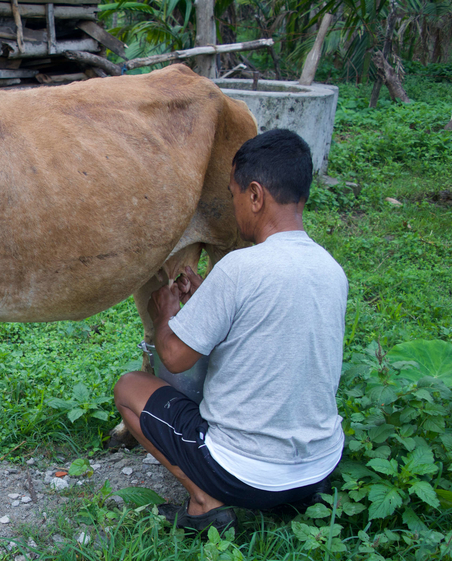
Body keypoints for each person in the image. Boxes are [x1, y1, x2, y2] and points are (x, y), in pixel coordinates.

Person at [112, 129, 348, 534]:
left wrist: (167, 312)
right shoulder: (331, 269)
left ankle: (204, 502)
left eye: (233, 194)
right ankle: (297, 499)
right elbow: (262, 325)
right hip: (318, 467)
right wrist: (207, 299)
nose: (232, 204)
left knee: (130, 387)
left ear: (255, 196)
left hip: (244, 473)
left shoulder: (239, 268)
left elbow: (174, 357)